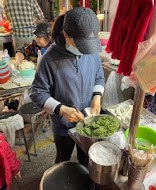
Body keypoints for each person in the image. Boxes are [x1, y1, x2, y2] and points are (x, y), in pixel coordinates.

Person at [30, 7, 104, 167]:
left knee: (85, 158)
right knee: (63, 159)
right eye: (81, 45)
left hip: (87, 122)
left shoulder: (91, 53)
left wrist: (97, 98)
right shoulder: (50, 59)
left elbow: (99, 77)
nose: (85, 51)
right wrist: (62, 109)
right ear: (66, 34)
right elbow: (37, 93)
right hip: (63, 127)